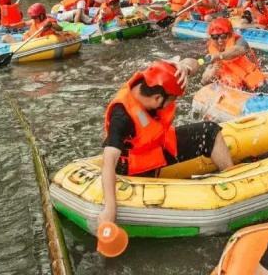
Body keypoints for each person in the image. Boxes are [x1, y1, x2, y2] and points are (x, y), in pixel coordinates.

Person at [100, 59, 235, 224]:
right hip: (136, 166)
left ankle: (233, 180)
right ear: (158, 99)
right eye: (172, 100)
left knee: (210, 131)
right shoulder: (121, 117)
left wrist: (184, 68)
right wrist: (110, 208)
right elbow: (108, 162)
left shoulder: (149, 83)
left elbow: (194, 62)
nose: (173, 103)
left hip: (159, 144)